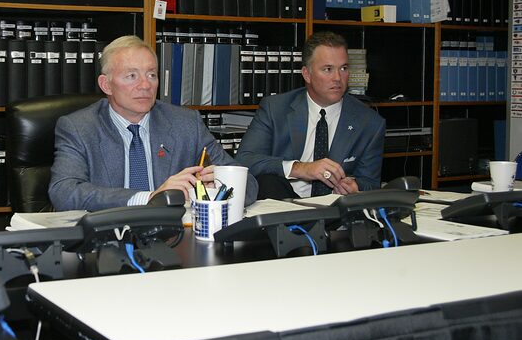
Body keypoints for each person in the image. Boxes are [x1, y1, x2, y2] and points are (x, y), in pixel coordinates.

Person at [49, 35, 258, 211]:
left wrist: (219, 187)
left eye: (152, 75)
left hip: (176, 238)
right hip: (110, 240)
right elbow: (64, 192)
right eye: (132, 76)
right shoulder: (79, 127)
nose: (145, 85)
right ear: (106, 85)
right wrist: (149, 197)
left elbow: (249, 184)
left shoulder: (185, 123)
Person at [236, 31, 385, 199]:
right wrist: (301, 169)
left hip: (335, 211)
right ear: (307, 74)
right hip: (284, 207)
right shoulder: (275, 109)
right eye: (328, 69)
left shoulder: (369, 122)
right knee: (269, 183)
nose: (338, 78)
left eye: (343, 68)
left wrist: (355, 186)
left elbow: (371, 183)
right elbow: (244, 161)